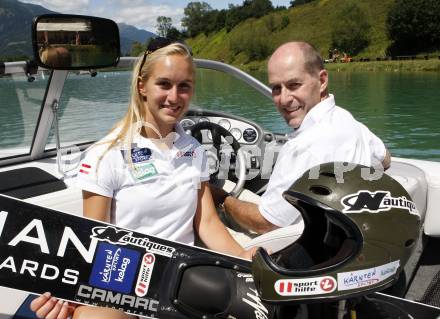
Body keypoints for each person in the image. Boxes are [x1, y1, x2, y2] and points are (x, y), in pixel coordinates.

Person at [30, 41, 255, 319]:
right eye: (164, 84)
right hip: (123, 285)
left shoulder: (194, 150)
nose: (175, 96)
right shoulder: (106, 155)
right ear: (141, 86)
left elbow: (206, 222)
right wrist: (71, 294)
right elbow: (96, 240)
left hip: (182, 280)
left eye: (184, 86)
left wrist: (242, 258)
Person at [214, 41, 391, 234]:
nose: (283, 99)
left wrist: (222, 199)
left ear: (322, 81)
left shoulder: (304, 146)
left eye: (294, 85)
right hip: (350, 237)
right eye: (275, 88)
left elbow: (265, 223)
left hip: (304, 249)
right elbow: (385, 159)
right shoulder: (347, 119)